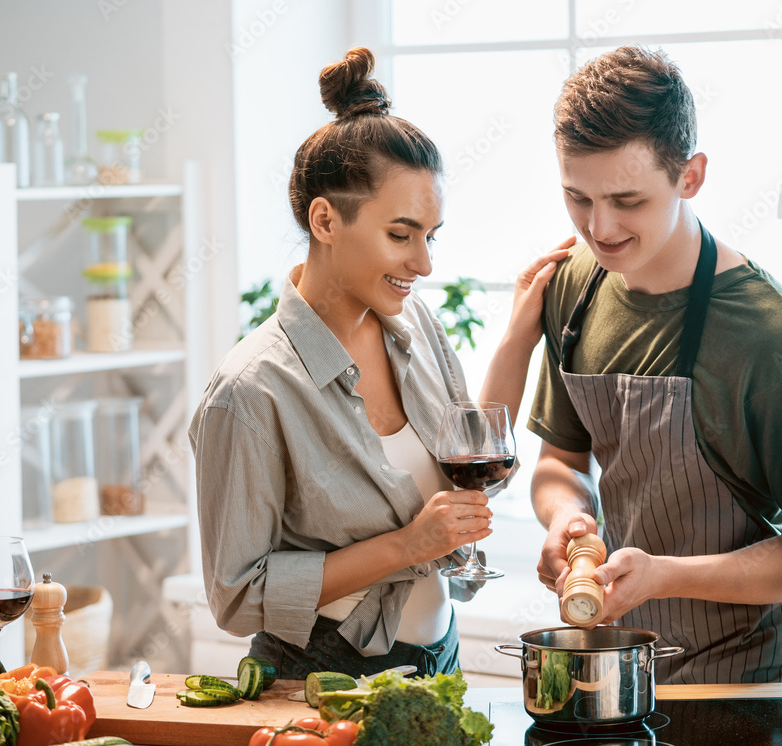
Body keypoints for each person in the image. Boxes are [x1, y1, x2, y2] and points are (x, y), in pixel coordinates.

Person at [189, 47, 574, 679]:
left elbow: (472, 471)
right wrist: (407, 546)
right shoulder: (250, 391)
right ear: (325, 221)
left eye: (432, 235)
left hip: (438, 658)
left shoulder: (413, 323)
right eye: (401, 235)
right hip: (323, 674)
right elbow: (236, 595)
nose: (424, 265)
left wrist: (515, 341)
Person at [529, 45, 782, 684]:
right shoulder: (574, 288)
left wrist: (664, 574)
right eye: (578, 198)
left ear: (691, 176)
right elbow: (559, 461)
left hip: (748, 686)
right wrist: (565, 516)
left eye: (628, 200)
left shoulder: (776, 345)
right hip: (623, 675)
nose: (600, 228)